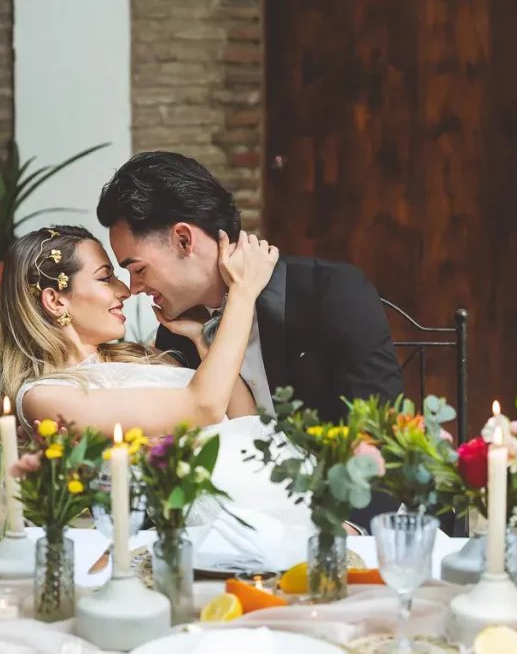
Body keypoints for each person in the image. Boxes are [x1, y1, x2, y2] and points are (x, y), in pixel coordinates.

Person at [97, 150, 404, 528]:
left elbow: (382, 438)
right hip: (243, 532)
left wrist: (348, 532)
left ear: (183, 240)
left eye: (138, 269)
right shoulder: (177, 332)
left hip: (347, 525)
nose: (135, 288)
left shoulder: (331, 293)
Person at [0, 224, 302, 523]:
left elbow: (246, 420)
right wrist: (243, 293)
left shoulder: (140, 359)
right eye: (105, 277)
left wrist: (203, 341)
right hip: (226, 526)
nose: (124, 290)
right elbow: (202, 407)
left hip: (271, 492)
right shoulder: (45, 396)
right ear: (56, 301)